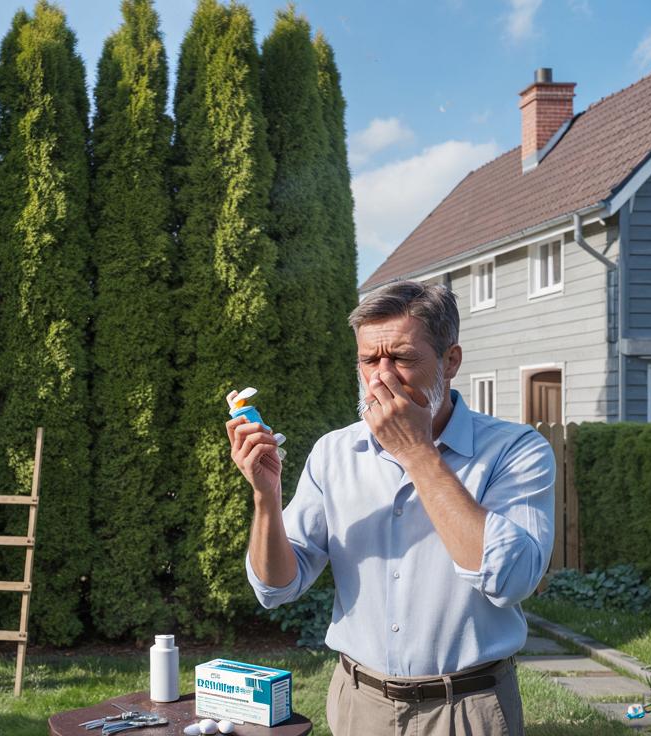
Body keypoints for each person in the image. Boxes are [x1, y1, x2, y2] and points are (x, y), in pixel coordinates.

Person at [231, 281, 555, 735]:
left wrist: (419, 452)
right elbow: (276, 587)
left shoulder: (516, 450)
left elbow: (512, 580)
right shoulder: (334, 452)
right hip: (359, 704)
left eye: (402, 358)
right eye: (369, 360)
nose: (382, 377)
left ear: (451, 361)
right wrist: (266, 497)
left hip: (466, 708)